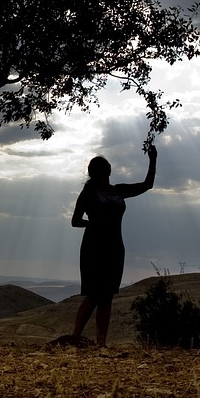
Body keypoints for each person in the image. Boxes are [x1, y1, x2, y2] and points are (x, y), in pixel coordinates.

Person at [70, 145, 157, 346]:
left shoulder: (118, 190)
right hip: (94, 247)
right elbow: (75, 221)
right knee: (94, 294)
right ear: (104, 171)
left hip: (114, 247)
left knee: (107, 295)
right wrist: (93, 224)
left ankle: (101, 343)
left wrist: (153, 160)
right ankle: (75, 336)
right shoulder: (89, 194)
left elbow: (147, 185)